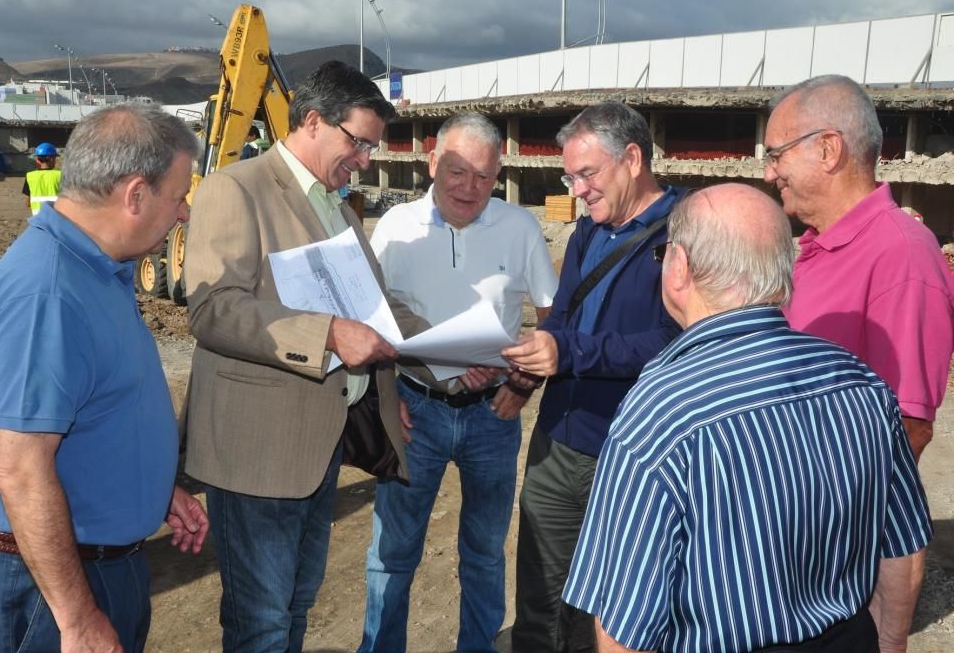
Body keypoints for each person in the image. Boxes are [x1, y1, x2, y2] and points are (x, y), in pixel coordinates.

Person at [563, 183, 933, 653]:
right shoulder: (862, 383)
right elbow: (903, 545)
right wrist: (890, 643)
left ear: (680, 268)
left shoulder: (660, 409)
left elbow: (623, 626)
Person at [181, 60, 431, 651]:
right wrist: (325, 333)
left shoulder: (338, 206)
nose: (366, 160)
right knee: (260, 624)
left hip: (320, 447)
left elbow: (373, 308)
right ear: (314, 121)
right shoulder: (233, 189)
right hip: (259, 451)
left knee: (294, 610)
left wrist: (448, 347)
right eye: (360, 142)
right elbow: (213, 307)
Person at [0, 104, 210, 653]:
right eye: (178, 195)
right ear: (135, 194)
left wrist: (151, 486)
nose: (184, 213)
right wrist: (76, 618)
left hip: (83, 562)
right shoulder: (46, 294)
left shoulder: (95, 268)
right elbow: (21, 473)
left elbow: (92, 407)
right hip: (45, 584)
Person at [358, 112, 558, 653]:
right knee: (392, 553)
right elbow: (371, 317)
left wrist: (521, 384)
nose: (470, 188)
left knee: (485, 552)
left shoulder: (519, 228)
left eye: (485, 176)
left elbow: (553, 317)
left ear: (500, 174)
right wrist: (386, 395)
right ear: (431, 162)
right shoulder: (395, 226)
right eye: (457, 172)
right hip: (413, 411)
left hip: (492, 415)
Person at [502, 101, 686, 652]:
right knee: (539, 596)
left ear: (632, 158)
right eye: (571, 176)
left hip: (633, 453)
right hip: (558, 441)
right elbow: (564, 316)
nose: (577, 190)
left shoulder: (684, 234)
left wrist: (570, 351)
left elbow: (673, 344)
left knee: (618, 606)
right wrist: (530, 366)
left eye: (587, 174)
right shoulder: (586, 233)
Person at [764, 74, 954, 462]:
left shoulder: (901, 255)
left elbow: (907, 429)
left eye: (775, 155)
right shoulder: (819, 244)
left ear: (828, 150)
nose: (769, 174)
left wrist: (818, 515)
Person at [22, 141, 62, 215]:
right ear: (51, 159)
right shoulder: (60, 175)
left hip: (38, 219)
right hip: (56, 218)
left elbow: (27, 202)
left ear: (38, 158)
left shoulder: (30, 176)